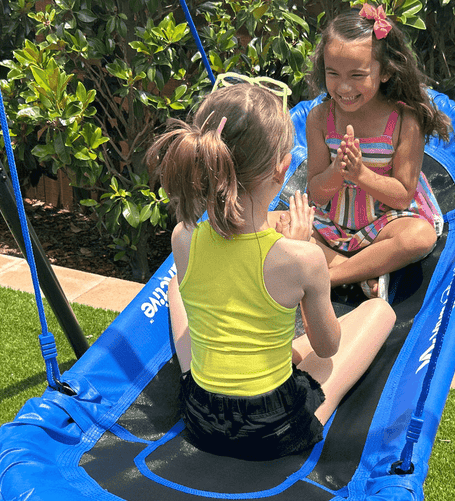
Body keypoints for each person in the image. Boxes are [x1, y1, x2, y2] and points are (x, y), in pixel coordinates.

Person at [147, 81, 395, 461]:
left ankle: (257, 361)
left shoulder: (183, 237)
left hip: (201, 417)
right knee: (380, 312)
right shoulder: (300, 260)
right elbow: (328, 347)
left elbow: (230, 283)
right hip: (271, 429)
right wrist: (302, 248)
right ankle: (285, 357)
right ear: (282, 170)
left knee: (177, 288)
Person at [305, 4, 452, 299]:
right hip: (333, 222)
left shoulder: (404, 121)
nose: (344, 87)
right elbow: (316, 195)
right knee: (280, 225)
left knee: (419, 238)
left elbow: (402, 195)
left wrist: (360, 173)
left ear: (384, 72)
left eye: (357, 75)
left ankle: (329, 277)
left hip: (383, 222)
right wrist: (337, 172)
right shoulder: (320, 118)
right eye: (333, 73)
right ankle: (363, 271)